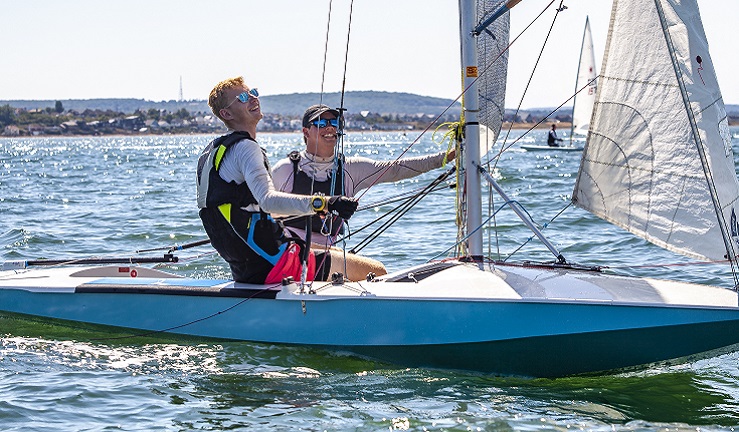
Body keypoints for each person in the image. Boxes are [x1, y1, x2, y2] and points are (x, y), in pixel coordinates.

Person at [196, 77, 382, 284]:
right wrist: (327, 203)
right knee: (377, 271)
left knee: (336, 252)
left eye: (253, 93)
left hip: (247, 266)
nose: (252, 99)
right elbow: (268, 200)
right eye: (242, 97)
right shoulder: (246, 147)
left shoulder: (213, 152)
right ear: (226, 114)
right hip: (278, 263)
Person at [271, 104, 455, 247]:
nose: (329, 128)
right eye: (320, 123)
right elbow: (263, 208)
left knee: (378, 272)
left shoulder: (351, 168)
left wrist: (448, 157)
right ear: (305, 132)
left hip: (330, 253)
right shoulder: (286, 169)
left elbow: (396, 169)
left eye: (334, 123)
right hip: (291, 251)